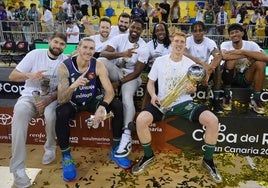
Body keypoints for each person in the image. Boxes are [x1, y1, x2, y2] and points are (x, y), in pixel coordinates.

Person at [131, 31, 223, 184]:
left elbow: (193, 87)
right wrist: (153, 96)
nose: (179, 44)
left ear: (185, 45)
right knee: (141, 120)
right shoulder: (159, 61)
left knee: (213, 120)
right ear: (171, 43)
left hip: (184, 104)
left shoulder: (190, 64)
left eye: (182, 42)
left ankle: (208, 161)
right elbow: (150, 83)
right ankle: (148, 156)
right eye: (176, 41)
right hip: (162, 103)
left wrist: (192, 89)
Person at [55, 37, 131, 182]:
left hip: (92, 100)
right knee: (61, 111)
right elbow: (61, 99)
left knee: (117, 105)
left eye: (91, 48)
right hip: (73, 102)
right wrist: (73, 86)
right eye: (85, 47)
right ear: (78, 48)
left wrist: (102, 107)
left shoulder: (98, 64)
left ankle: (116, 149)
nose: (88, 51)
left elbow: (110, 91)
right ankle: (67, 157)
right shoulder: (64, 67)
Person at [9, 32, 68, 188]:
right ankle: (18, 168)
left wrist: (48, 99)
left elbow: (63, 89)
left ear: (65, 47)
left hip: (51, 99)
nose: (58, 46)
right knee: (19, 113)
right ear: (49, 41)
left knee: (51, 115)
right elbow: (13, 76)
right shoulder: (35, 54)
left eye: (62, 44)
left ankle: (49, 149)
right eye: (56, 42)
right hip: (29, 96)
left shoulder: (65, 61)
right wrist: (30, 75)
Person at [99, 18, 149, 158]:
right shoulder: (119, 38)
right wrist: (122, 54)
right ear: (130, 27)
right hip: (117, 71)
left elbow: (137, 72)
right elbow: (103, 54)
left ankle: (126, 135)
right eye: (133, 27)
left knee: (127, 98)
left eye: (138, 28)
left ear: (142, 31)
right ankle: (101, 94)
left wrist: (118, 83)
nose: (134, 30)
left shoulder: (144, 48)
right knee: (100, 62)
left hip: (131, 78)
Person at [220, 23, 268, 114]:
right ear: (229, 36)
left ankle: (256, 99)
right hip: (231, 76)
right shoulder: (225, 44)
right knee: (230, 61)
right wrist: (249, 55)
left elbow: (265, 57)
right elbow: (225, 57)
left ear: (242, 33)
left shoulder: (251, 44)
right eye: (232, 33)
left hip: (246, 76)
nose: (234, 34)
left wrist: (243, 51)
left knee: (261, 64)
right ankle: (227, 96)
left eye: (237, 32)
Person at [185, 21, 223, 114]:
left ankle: (216, 98)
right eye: (195, 31)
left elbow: (218, 55)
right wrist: (201, 63)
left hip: (204, 71)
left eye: (200, 30)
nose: (198, 33)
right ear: (192, 32)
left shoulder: (210, 42)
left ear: (205, 31)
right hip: (190, 70)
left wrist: (210, 70)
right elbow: (184, 53)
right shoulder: (188, 40)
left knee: (217, 66)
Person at [141, 22, 172, 109]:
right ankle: (143, 112)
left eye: (162, 30)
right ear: (155, 33)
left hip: (168, 72)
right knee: (148, 90)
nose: (160, 32)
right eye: (157, 31)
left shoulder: (172, 45)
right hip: (153, 72)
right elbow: (145, 61)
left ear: (166, 31)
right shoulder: (149, 45)